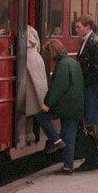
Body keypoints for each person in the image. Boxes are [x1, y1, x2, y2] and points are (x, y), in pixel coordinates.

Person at [36, 39, 85, 174]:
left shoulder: (62, 64)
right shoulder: (74, 62)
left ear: (53, 52)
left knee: (41, 116)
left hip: (66, 105)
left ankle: (56, 140)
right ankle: (68, 166)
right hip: (77, 105)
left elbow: (58, 87)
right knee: (70, 136)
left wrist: (47, 104)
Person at [73, 16, 98, 171]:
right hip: (91, 87)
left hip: (91, 88)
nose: (76, 30)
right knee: (92, 121)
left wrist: (86, 83)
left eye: (78, 27)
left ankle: (93, 158)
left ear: (87, 27)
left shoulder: (93, 43)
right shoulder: (88, 41)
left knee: (91, 122)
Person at [25, 25, 49, 144]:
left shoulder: (23, 31)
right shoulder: (32, 30)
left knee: (29, 103)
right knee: (36, 101)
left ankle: (29, 133)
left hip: (27, 66)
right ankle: (31, 133)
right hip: (36, 62)